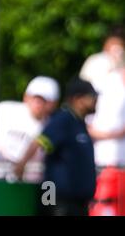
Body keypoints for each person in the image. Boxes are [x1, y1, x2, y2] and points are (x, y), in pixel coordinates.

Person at [14, 77, 98, 216]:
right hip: (58, 200)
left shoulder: (79, 122)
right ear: (78, 99)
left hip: (77, 202)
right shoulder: (63, 119)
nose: (96, 100)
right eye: (92, 96)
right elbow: (39, 142)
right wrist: (21, 166)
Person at [0, 76, 59, 182]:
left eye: (43, 100)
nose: (38, 104)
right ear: (26, 97)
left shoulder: (52, 125)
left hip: (29, 183)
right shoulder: (4, 110)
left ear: (53, 104)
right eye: (35, 98)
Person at [79, 26, 124, 93]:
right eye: (112, 44)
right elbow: (84, 83)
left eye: (119, 45)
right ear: (105, 45)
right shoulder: (95, 60)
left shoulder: (122, 61)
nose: (116, 49)